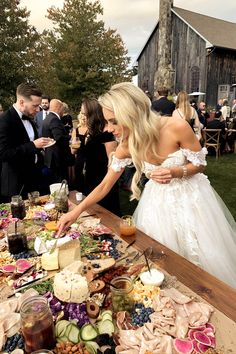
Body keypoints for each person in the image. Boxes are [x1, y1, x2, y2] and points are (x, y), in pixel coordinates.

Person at [58, 82, 236, 288]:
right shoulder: (126, 145)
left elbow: (200, 163)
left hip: (192, 201)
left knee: (204, 259)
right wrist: (76, 211)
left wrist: (176, 171)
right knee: (161, 265)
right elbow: (104, 185)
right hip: (157, 206)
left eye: (113, 121)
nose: (108, 128)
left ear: (131, 114)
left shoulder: (176, 126)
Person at [0, 83, 52, 201]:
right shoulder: (4, 120)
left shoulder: (29, 117)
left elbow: (29, 143)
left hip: (33, 179)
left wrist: (41, 145)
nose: (38, 110)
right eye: (35, 106)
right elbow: (3, 154)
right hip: (16, 185)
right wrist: (33, 145)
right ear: (22, 102)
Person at [71, 98, 120, 215]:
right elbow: (73, 151)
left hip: (100, 176)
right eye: (81, 112)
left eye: (84, 113)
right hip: (83, 175)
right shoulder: (84, 130)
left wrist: (109, 181)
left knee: (103, 209)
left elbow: (113, 161)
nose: (82, 115)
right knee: (85, 206)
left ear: (92, 113)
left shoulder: (106, 132)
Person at [42, 99, 74, 185]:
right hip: (57, 158)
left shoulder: (47, 118)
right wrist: (72, 137)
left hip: (50, 157)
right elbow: (59, 138)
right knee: (61, 183)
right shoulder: (54, 119)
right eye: (63, 109)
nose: (63, 111)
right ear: (58, 108)